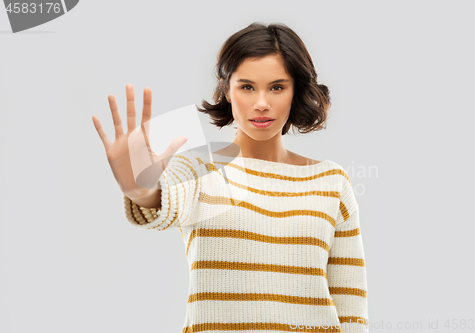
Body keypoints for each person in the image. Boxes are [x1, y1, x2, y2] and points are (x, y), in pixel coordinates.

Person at [92, 22, 369, 333]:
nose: (261, 103)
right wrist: (139, 188)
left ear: (296, 91)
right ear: (227, 90)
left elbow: (351, 308)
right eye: (247, 86)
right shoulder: (200, 167)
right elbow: (164, 202)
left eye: (277, 87)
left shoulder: (331, 182)